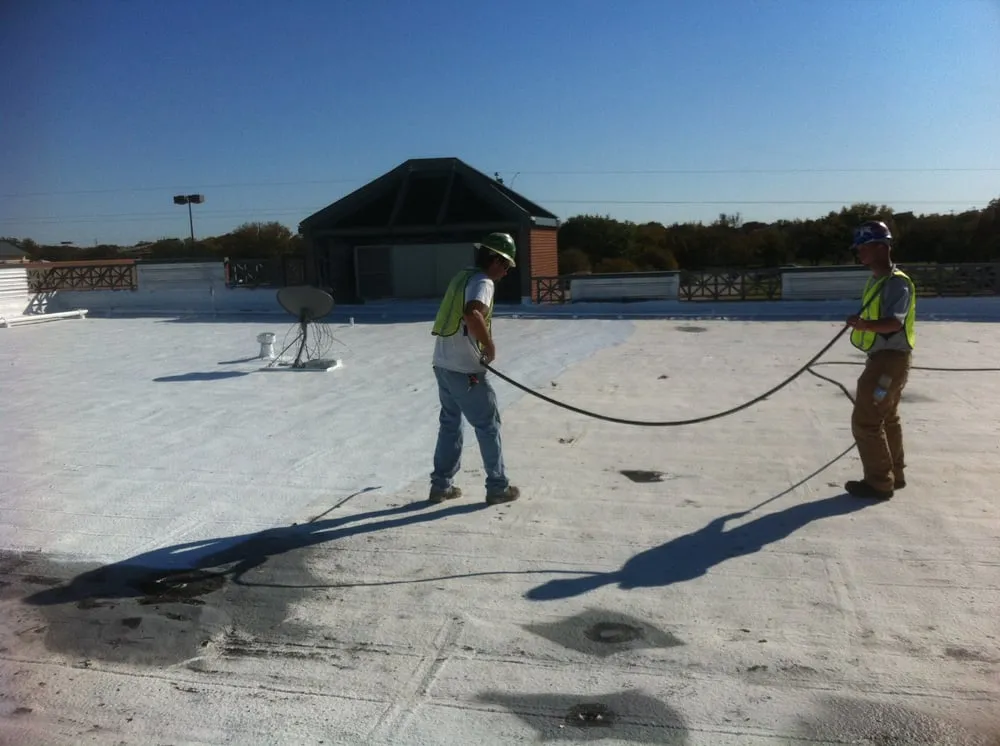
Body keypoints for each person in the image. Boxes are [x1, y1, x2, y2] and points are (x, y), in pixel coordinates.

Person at [428, 232, 521, 506]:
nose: (505, 273)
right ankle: (497, 487)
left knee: (450, 424)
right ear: (495, 261)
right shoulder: (483, 282)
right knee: (487, 425)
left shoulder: (463, 276)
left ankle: (441, 486)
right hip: (465, 369)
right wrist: (489, 347)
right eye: (505, 266)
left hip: (442, 363)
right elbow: (472, 313)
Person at [844, 220, 917, 499]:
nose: (859, 252)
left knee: (866, 420)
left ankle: (878, 483)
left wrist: (865, 326)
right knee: (887, 416)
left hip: (888, 363)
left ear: (880, 246)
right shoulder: (879, 280)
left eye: (863, 246)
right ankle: (894, 475)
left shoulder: (897, 283)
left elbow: (893, 323)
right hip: (885, 359)